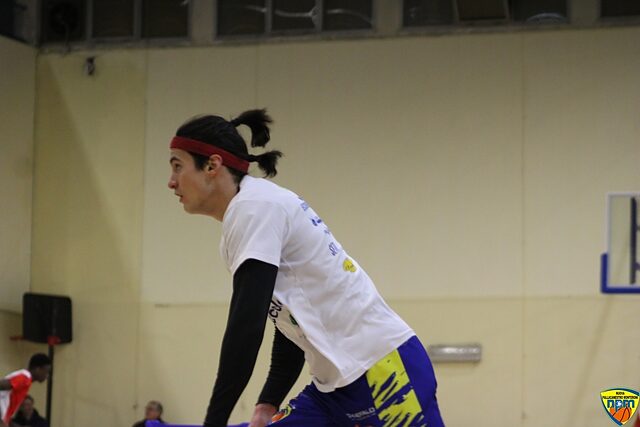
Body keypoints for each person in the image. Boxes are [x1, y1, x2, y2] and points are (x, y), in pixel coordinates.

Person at [168, 109, 445, 427]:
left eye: (177, 166)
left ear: (212, 166)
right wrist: (269, 400)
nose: (171, 181)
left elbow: (245, 328)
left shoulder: (255, 209)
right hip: (333, 391)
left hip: (383, 371)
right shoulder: (250, 212)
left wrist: (214, 421)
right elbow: (291, 319)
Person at [0, 354, 51, 427]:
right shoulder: (25, 378)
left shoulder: (25, 378)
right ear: (37, 369)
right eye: (46, 371)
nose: (47, 375)